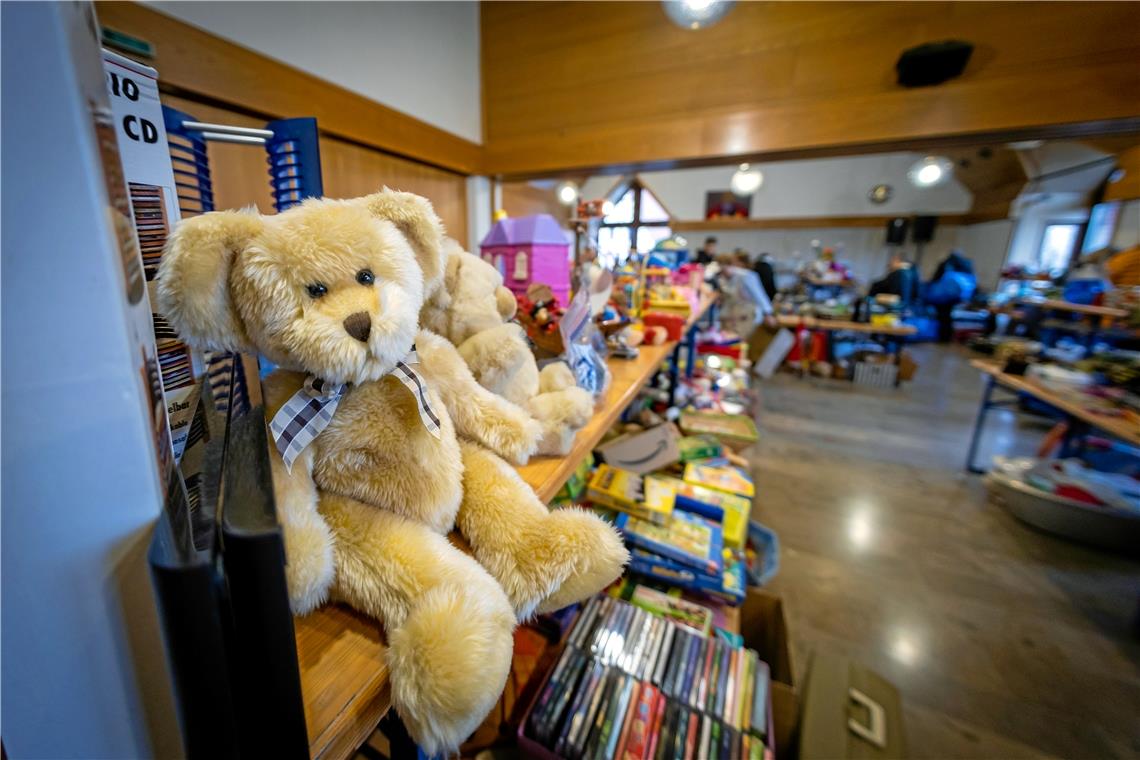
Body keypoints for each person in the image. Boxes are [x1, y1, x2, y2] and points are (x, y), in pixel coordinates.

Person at [927, 249, 977, 342]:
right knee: (948, 317)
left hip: (944, 297)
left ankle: (942, 336)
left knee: (942, 317)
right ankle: (947, 336)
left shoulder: (948, 265)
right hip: (958, 296)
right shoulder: (966, 265)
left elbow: (937, 279)